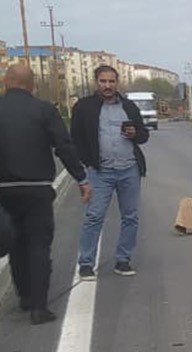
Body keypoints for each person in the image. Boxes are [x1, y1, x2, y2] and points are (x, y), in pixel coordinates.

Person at [0, 63, 92, 324]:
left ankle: (25, 297)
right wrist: (82, 179)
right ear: (33, 85)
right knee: (38, 244)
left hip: (3, 191)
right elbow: (64, 146)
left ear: (6, 82)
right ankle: (39, 308)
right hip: (36, 188)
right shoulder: (43, 110)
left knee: (17, 244)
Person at [71, 64, 149, 278]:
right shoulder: (84, 107)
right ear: (96, 82)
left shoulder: (129, 107)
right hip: (100, 171)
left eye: (111, 81)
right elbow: (75, 139)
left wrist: (135, 133)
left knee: (130, 216)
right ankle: (86, 263)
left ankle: (123, 260)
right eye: (103, 81)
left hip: (129, 169)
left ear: (117, 82)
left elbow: (144, 136)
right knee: (94, 217)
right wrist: (84, 165)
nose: (107, 85)